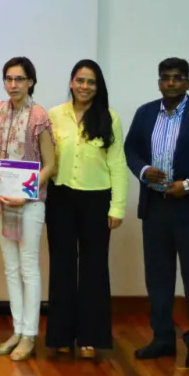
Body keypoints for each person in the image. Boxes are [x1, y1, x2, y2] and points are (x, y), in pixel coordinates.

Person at [124, 58, 189, 370]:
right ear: (159, 82)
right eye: (166, 77)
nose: (172, 83)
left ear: (188, 82)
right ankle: (162, 338)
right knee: (158, 278)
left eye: (178, 77)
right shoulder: (146, 113)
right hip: (156, 208)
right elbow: (131, 150)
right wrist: (143, 170)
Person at [46, 60, 128, 359]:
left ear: (98, 86)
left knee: (94, 268)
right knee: (62, 266)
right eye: (79, 80)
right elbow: (45, 157)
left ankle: (90, 338)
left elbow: (117, 163)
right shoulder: (54, 114)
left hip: (97, 200)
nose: (84, 86)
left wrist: (117, 207)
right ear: (71, 82)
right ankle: (61, 336)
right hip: (61, 198)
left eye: (91, 82)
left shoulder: (109, 117)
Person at [0, 57, 55, 361]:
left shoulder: (39, 116)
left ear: (30, 82)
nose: (13, 85)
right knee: (11, 268)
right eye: (8, 79)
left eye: (19, 79)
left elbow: (50, 164)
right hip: (2, 199)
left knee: (28, 267)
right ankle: (17, 329)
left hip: (29, 202)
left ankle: (29, 335)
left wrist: (26, 193)